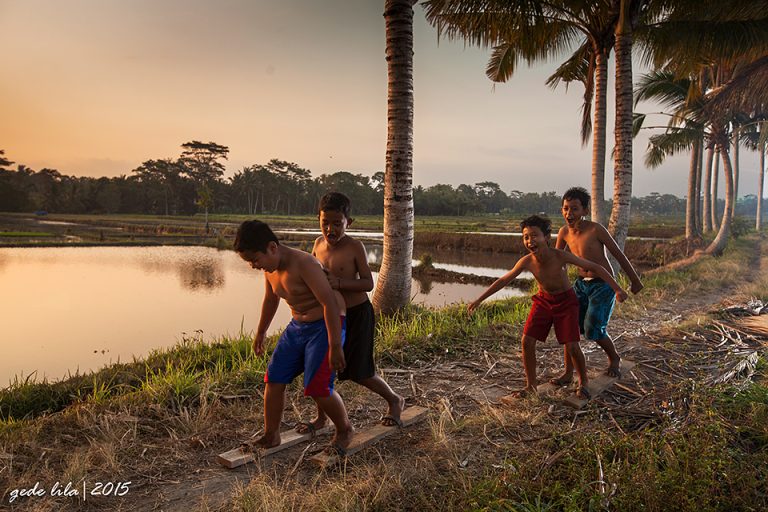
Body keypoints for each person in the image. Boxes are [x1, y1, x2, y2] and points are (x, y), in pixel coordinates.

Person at [468, 215, 628, 399]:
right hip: (543, 301)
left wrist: (617, 289)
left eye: (535, 235)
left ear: (547, 237)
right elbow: (504, 279)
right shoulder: (526, 261)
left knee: (572, 346)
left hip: (567, 303)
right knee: (527, 341)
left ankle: (583, 382)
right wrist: (479, 299)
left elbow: (596, 267)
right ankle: (531, 386)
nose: (530, 241)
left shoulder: (560, 256)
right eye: (526, 237)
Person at [234, 220, 353, 454]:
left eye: (255, 260)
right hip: (297, 327)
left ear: (272, 247)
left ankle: (345, 429)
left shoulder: (304, 263)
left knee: (317, 386)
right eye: (249, 262)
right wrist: (260, 331)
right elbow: (271, 299)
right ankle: (271, 434)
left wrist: (335, 344)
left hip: (325, 325)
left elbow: (328, 302)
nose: (253, 266)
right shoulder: (270, 269)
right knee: (274, 378)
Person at [295, 192, 405, 431]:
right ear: (318, 220)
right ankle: (322, 418)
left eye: (337, 223)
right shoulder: (317, 244)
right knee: (323, 367)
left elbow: (368, 283)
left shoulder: (355, 247)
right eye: (325, 223)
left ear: (349, 222)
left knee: (360, 372)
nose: (330, 229)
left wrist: (339, 283)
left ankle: (395, 401)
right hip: (330, 315)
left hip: (357, 315)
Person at [553, 187, 643, 384]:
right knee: (571, 329)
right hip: (579, 285)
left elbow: (618, 254)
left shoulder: (595, 230)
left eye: (575, 209)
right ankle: (568, 372)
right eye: (566, 209)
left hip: (602, 284)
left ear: (585, 211)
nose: (569, 213)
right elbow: (556, 260)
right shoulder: (564, 232)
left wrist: (634, 280)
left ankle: (614, 358)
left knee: (593, 327)